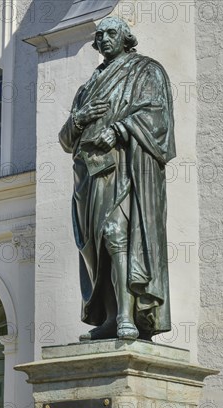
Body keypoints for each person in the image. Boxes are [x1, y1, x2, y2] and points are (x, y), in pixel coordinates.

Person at [59, 16, 176, 341]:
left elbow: (157, 116)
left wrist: (119, 129)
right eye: (100, 35)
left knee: (116, 235)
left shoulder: (145, 70)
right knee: (98, 250)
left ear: (126, 38)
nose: (104, 39)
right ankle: (111, 316)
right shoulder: (87, 88)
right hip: (89, 178)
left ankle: (128, 316)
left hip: (126, 170)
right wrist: (80, 119)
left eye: (112, 33)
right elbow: (66, 140)